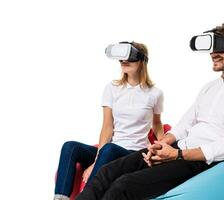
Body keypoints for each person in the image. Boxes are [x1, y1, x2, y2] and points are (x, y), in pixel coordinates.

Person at [75, 23, 224, 200]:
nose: (213, 53)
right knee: (108, 171)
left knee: (123, 186)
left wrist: (177, 155)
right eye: (212, 48)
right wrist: (161, 145)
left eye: (221, 47)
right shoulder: (209, 88)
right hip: (177, 149)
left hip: (199, 161)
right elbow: (185, 124)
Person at [53, 42, 164, 200]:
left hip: (134, 153)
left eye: (129, 57)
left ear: (142, 60)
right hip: (109, 149)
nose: (123, 61)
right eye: (121, 58)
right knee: (70, 146)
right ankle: (60, 198)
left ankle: (87, 197)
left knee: (110, 149)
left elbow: (157, 123)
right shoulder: (112, 88)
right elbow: (107, 127)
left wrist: (163, 143)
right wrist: (95, 161)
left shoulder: (155, 94)